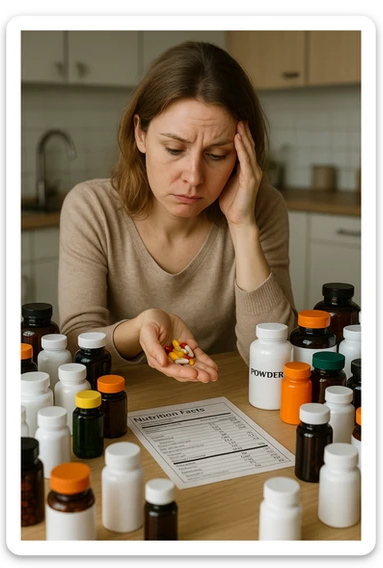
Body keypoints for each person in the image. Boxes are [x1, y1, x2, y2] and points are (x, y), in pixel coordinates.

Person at [58, 40, 298, 383]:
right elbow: (74, 345)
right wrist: (139, 327)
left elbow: (275, 355)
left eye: (216, 155)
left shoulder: (261, 208)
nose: (194, 177)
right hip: (122, 402)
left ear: (242, 154)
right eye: (174, 149)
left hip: (225, 396)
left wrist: (243, 227)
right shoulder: (91, 208)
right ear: (140, 134)